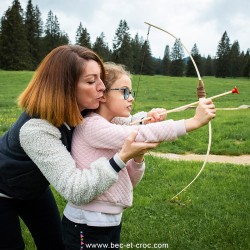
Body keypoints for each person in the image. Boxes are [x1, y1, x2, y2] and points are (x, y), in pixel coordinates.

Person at [0, 45, 161, 250]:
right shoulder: (35, 129)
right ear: (65, 87)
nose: (102, 87)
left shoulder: (83, 107)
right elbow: (77, 190)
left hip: (35, 188)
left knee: (55, 244)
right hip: (3, 190)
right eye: (91, 81)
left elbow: (122, 122)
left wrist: (146, 120)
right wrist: (121, 158)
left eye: (101, 78)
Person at [62, 62, 216, 249]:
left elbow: (129, 181)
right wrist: (193, 121)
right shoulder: (92, 126)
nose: (131, 98)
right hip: (86, 224)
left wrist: (138, 157)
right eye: (125, 92)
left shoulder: (114, 125)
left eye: (131, 92)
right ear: (102, 94)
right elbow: (139, 133)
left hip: (109, 221)